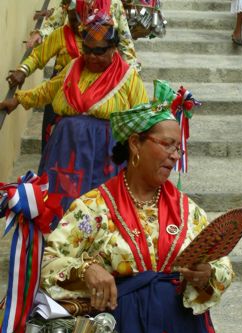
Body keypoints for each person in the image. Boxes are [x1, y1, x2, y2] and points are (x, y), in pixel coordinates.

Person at [40, 80, 235, 333]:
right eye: (165, 145)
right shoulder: (94, 207)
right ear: (135, 144)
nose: (173, 156)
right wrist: (88, 269)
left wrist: (205, 274)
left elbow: (223, 264)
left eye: (177, 147)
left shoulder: (187, 210)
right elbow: (50, 264)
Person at [0, 13, 148, 217]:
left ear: (114, 50)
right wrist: (17, 100)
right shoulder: (73, 68)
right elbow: (48, 89)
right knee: (61, 208)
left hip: (105, 155)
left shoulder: (128, 77)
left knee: (100, 208)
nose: (92, 56)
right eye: (87, 50)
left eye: (99, 51)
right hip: (65, 151)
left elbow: (143, 117)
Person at [6, 0, 83, 154]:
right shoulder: (61, 34)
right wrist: (23, 70)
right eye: (73, 19)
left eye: (81, 17)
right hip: (59, 98)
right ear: (67, 14)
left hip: (85, 109)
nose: (78, 24)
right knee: (51, 151)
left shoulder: (98, 40)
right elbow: (38, 57)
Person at [26, 0, 140, 71]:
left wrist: (132, 71)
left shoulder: (115, 4)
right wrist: (41, 34)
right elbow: (54, 22)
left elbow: (125, 41)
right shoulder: (70, 1)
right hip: (67, 67)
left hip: (100, 69)